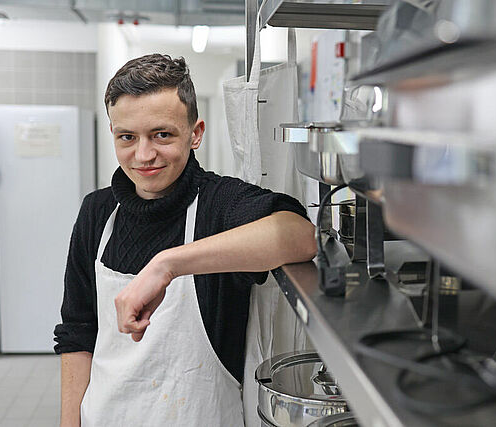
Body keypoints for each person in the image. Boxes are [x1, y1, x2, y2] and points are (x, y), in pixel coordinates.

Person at [54, 53, 316, 427]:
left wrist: (167, 265)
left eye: (162, 135)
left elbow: (300, 236)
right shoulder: (97, 212)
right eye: (127, 137)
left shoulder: (219, 205)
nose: (143, 155)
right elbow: (77, 333)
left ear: (195, 133)